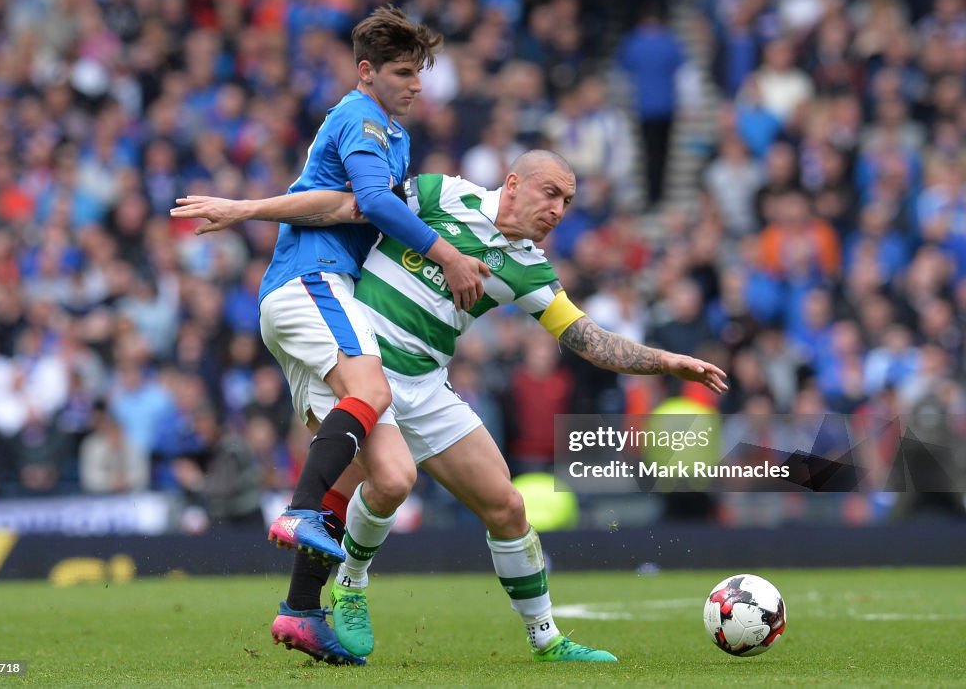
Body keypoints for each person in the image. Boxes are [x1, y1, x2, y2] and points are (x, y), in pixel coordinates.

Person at [175, 150, 728, 665]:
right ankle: (351, 585)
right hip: (360, 367)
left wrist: (666, 361)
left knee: (508, 507)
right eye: (551, 193)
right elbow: (353, 205)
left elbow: (588, 340)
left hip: (426, 386)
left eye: (568, 202)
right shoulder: (440, 195)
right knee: (384, 483)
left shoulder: (530, 269)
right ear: (512, 183)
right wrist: (250, 211)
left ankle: (546, 639)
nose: (558, 210)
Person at [173, 6, 489, 565]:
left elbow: (345, 204)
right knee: (373, 393)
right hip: (313, 281)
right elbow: (369, 201)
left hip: (310, 291)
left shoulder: (390, 133)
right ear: (366, 71)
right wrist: (449, 256)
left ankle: (301, 612)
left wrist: (252, 208)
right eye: (402, 73)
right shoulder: (364, 120)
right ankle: (299, 509)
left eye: (419, 73)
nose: (416, 85)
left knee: (387, 474)